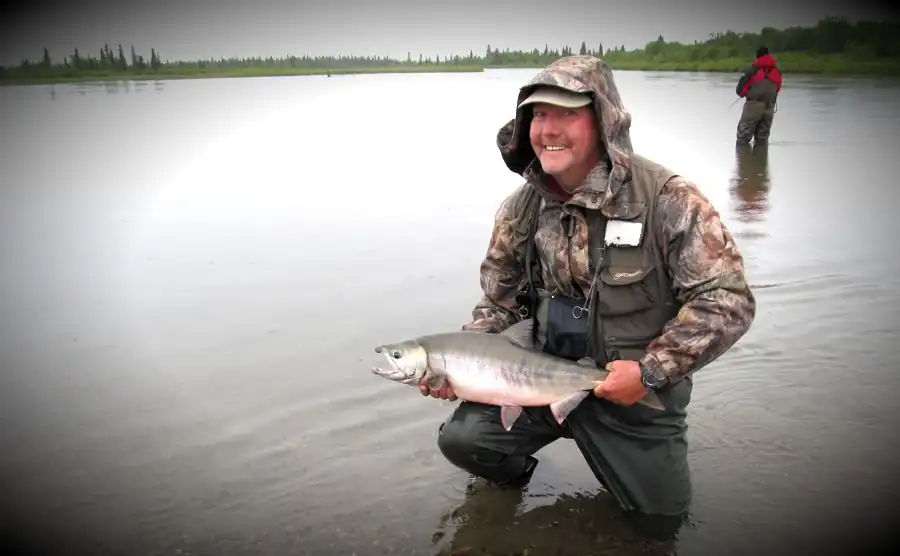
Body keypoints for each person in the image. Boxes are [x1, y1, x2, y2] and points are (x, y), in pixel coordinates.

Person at [419, 55, 757, 536]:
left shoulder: (669, 201)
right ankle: (514, 483)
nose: (548, 129)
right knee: (463, 439)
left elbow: (729, 298)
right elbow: (497, 305)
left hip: (631, 399)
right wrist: (461, 364)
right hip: (533, 383)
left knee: (660, 526)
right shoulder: (520, 210)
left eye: (566, 113)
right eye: (538, 115)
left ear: (602, 121)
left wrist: (650, 371)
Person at [735, 46, 783, 145]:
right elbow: (777, 89)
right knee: (762, 141)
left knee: (742, 140)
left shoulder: (752, 71)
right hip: (769, 109)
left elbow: (740, 91)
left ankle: (742, 159)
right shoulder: (777, 72)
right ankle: (761, 159)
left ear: (757, 57)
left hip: (753, 108)